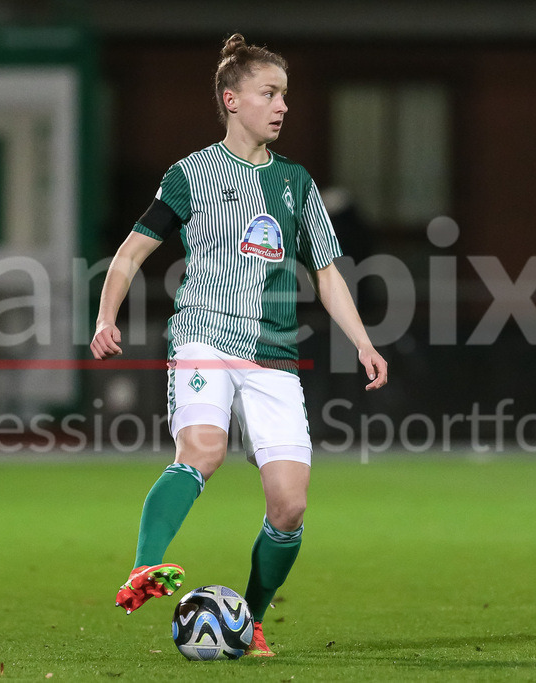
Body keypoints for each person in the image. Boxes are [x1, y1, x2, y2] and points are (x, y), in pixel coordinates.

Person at [90, 33, 388, 657]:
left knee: (289, 505)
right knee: (203, 449)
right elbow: (131, 252)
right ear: (233, 99)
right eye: (269, 93)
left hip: (273, 353)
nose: (282, 106)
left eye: (285, 95)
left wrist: (362, 341)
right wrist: (106, 315)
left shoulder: (297, 184)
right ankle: (144, 566)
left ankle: (246, 621)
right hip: (202, 335)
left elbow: (328, 272)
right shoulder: (191, 174)